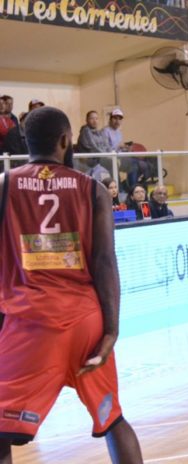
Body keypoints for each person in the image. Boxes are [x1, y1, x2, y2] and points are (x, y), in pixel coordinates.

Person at [0, 106, 143, 463]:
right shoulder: (93, 189)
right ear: (65, 140)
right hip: (85, 324)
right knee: (113, 419)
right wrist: (111, 330)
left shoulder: (4, 185)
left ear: (26, 141)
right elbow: (105, 262)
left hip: (30, 324)